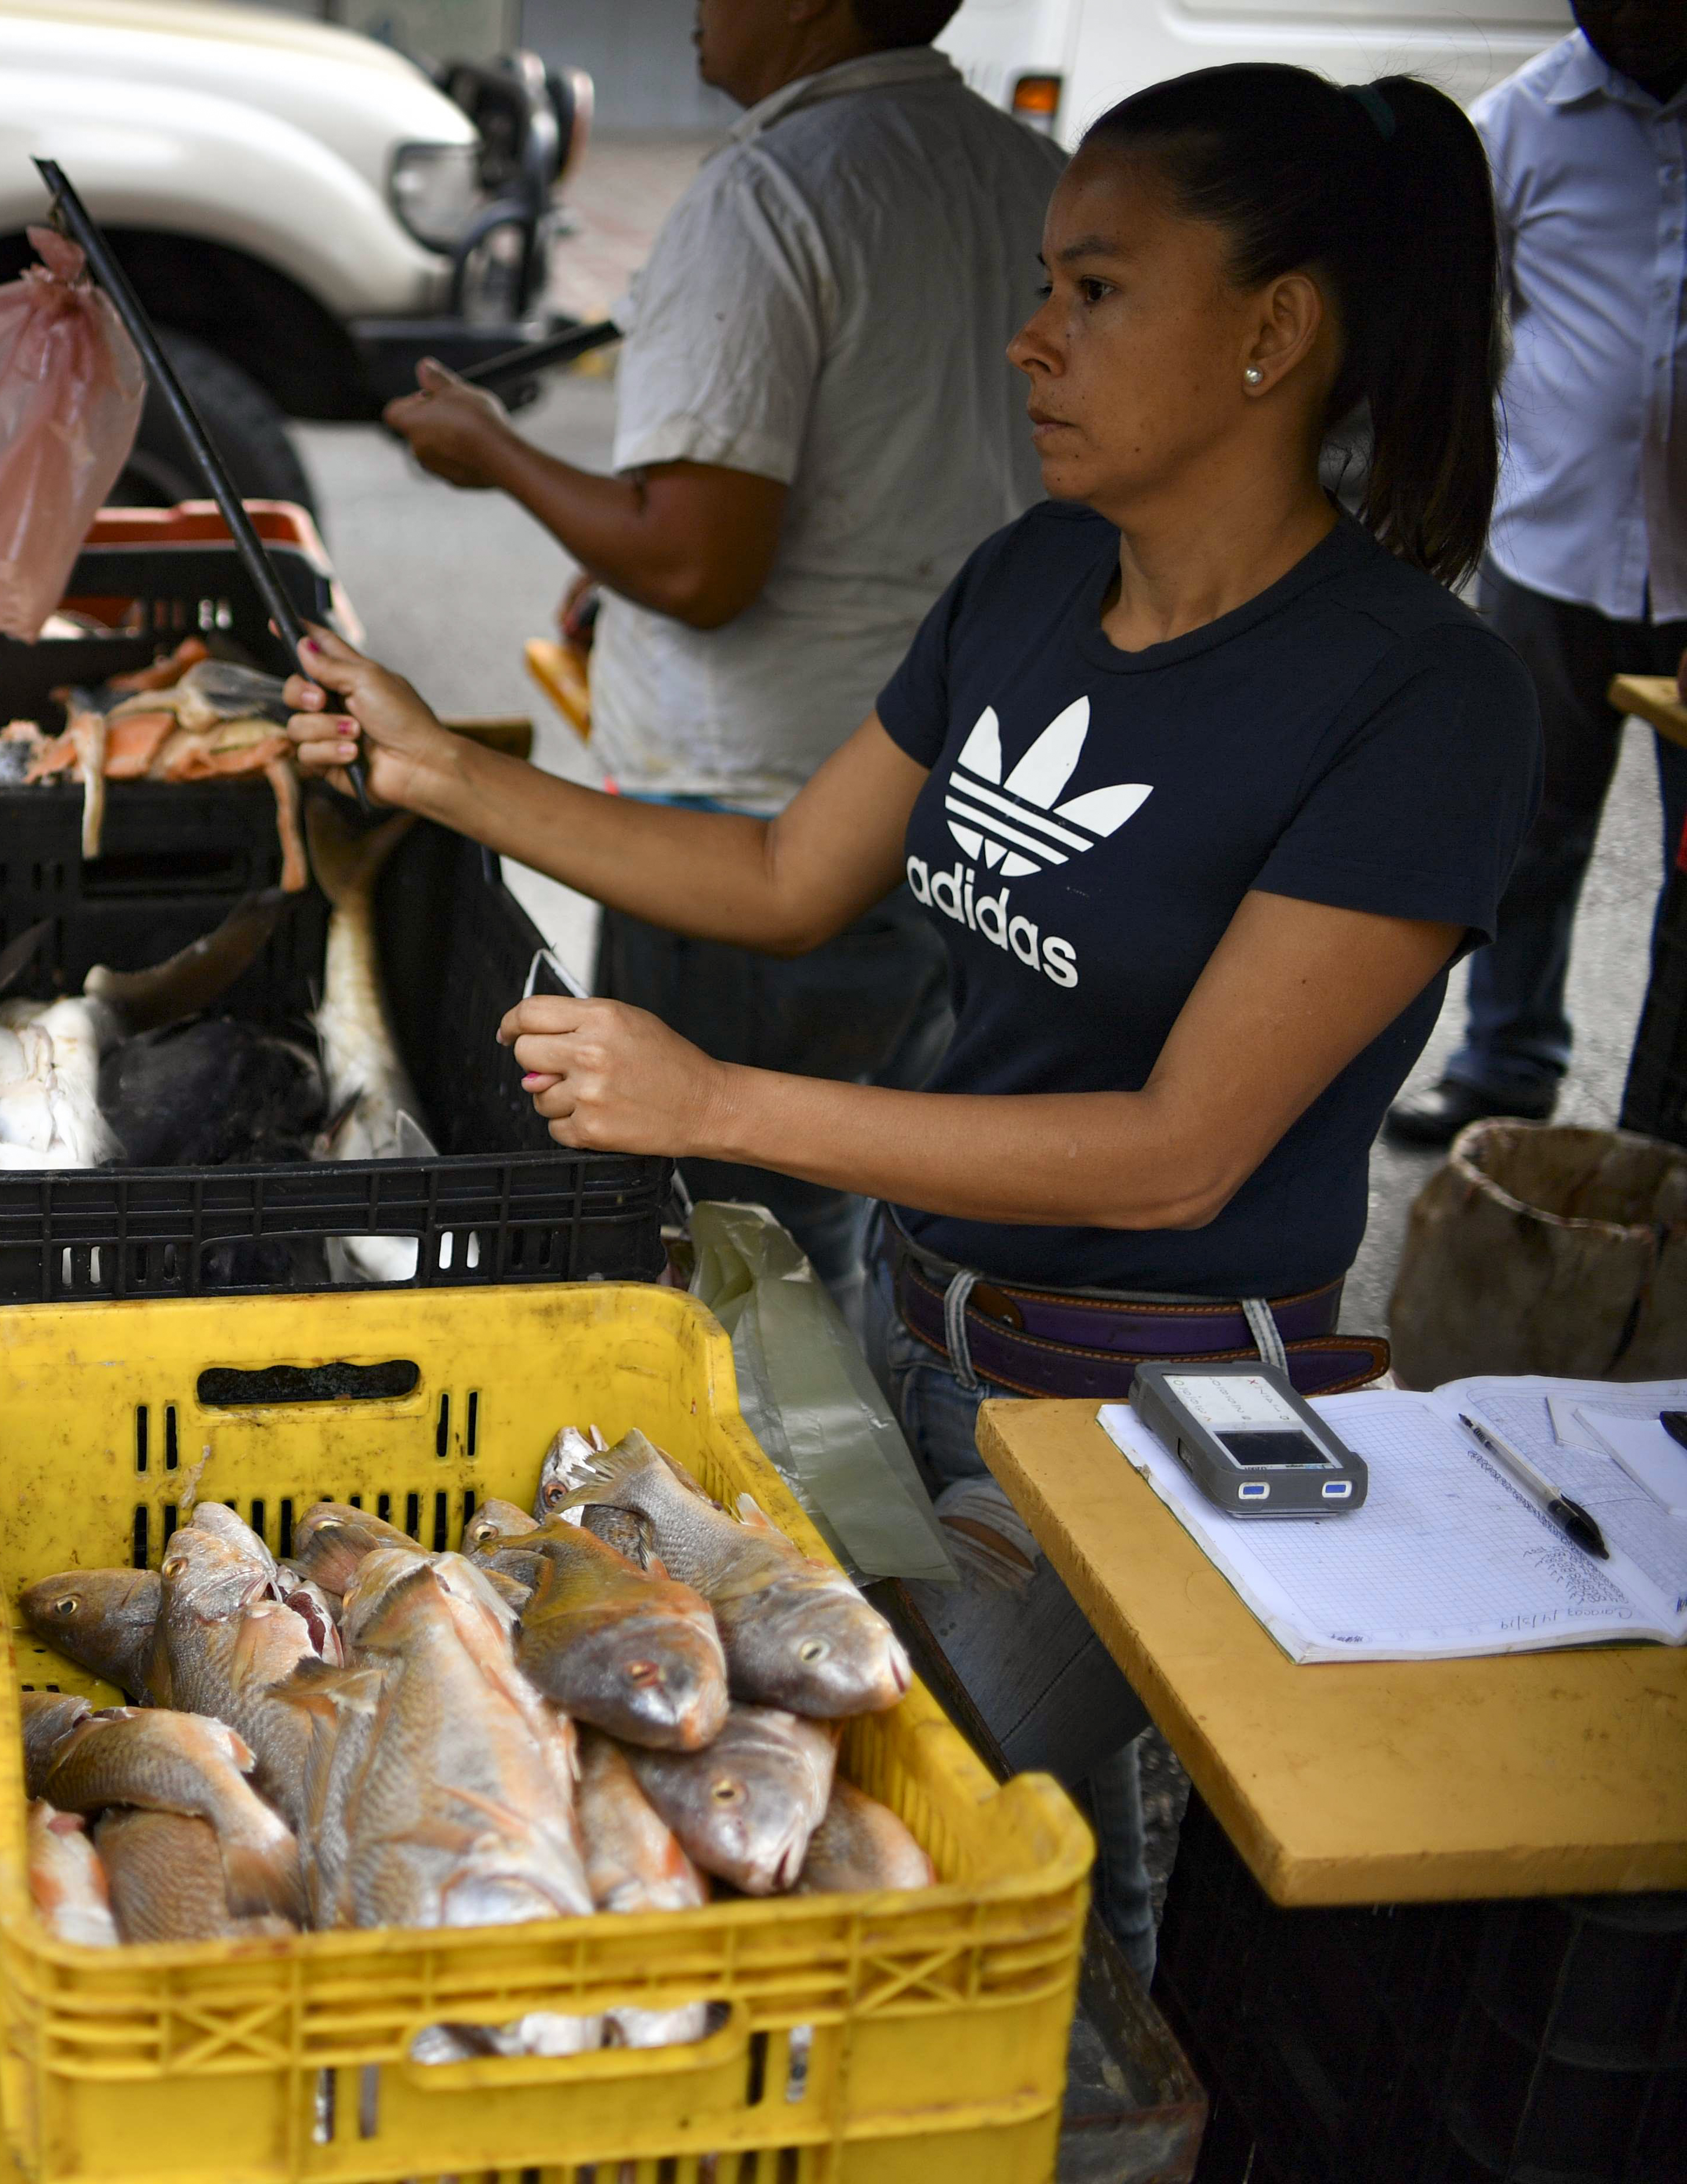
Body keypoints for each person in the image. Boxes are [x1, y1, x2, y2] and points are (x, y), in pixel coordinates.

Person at [285, 66, 1536, 1979]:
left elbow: (1176, 1149)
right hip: (905, 1301)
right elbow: (789, 873)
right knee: (1004, 1855)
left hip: (1146, 1404)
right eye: (1043, 284)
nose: (1029, 338)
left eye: (1095, 291)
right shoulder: (1028, 578)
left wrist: (720, 1097)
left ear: (1271, 331)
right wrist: (442, 770)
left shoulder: (1411, 699)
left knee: (901, 1803)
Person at [378, 0, 1066, 1306]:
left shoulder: (764, 194)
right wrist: (621, 563)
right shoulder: (1029, 171)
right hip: (959, 796)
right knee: (868, 1204)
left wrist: (495, 451)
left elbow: (698, 564)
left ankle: (786, 1491)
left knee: (734, 1234)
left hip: (754, 815)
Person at [1385, 1, 1687, 1147]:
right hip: (1554, 549)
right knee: (1530, 831)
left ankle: (1667, 1118)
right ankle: (1507, 1068)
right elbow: (1463, 330)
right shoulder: (1521, 123)